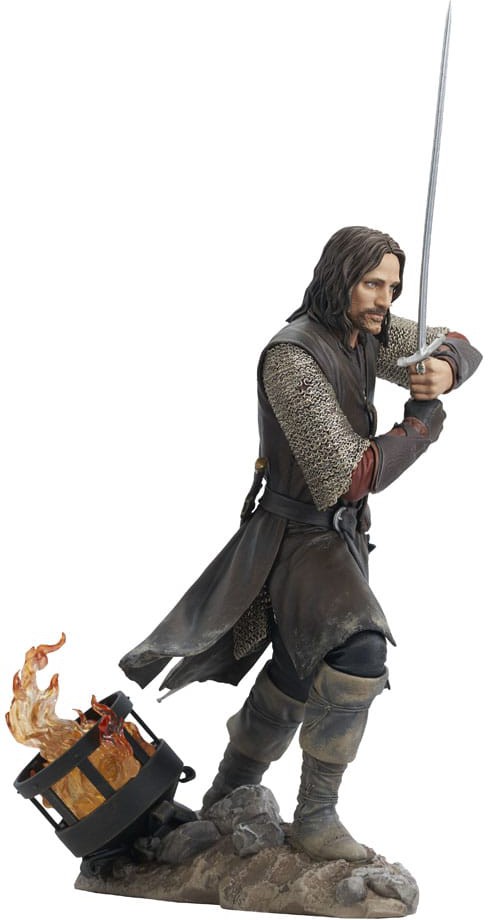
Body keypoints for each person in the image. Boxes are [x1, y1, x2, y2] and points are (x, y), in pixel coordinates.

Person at [120, 226, 481, 861]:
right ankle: (316, 815)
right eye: (372, 284)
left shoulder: (367, 331)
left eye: (393, 287)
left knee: (296, 664)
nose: (384, 300)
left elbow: (459, 343)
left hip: (341, 539)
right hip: (295, 537)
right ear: (340, 279)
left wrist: (444, 370)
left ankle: (229, 792)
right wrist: (421, 425)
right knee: (359, 649)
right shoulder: (293, 356)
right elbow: (349, 477)